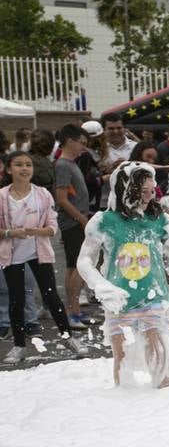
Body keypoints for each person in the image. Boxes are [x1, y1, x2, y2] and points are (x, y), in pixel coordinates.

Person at [77, 162, 169, 387]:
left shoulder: (158, 217)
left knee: (162, 365)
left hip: (153, 296)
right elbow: (84, 261)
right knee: (122, 364)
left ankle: (165, 413)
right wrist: (100, 285)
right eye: (143, 191)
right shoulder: (105, 220)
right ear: (126, 189)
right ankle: (124, 412)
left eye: (152, 191)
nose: (150, 196)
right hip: (119, 299)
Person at [0, 151, 83, 363]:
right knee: (17, 298)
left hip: (38, 252)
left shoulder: (43, 195)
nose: (25, 168)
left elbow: (52, 225)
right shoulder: (2, 196)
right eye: (19, 164)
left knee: (51, 295)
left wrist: (41, 231)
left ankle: (68, 337)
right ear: (9, 169)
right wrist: (11, 233)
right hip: (11, 254)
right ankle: (19, 345)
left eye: (28, 164)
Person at [52, 126, 93, 330]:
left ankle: (74, 309)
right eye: (82, 143)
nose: (83, 148)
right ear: (69, 141)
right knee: (77, 267)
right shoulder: (63, 165)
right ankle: (72, 310)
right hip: (73, 223)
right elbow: (61, 199)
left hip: (77, 220)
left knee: (74, 266)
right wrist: (81, 219)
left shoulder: (70, 164)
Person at [95, 115, 134, 206]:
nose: (116, 131)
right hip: (104, 202)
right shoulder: (96, 149)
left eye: (119, 128)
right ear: (104, 129)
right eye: (111, 128)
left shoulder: (135, 147)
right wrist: (107, 170)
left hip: (131, 202)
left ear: (124, 128)